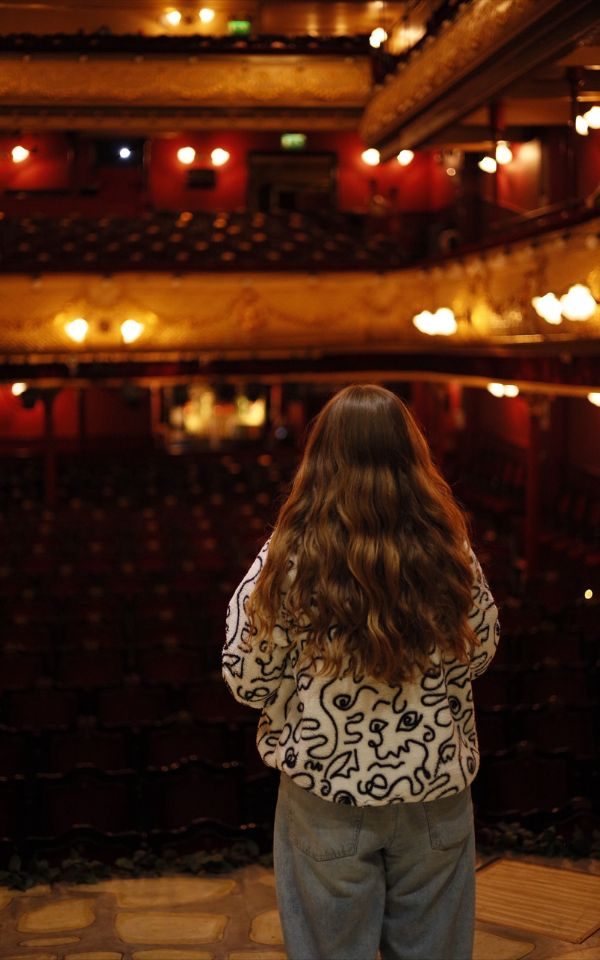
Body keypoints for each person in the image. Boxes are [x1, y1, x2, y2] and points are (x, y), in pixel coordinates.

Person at [222, 384, 499, 960]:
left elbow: (246, 679)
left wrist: (300, 699)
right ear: (410, 455)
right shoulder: (449, 549)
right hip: (434, 790)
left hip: (327, 796)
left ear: (321, 458)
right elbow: (481, 653)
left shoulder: (288, 558)